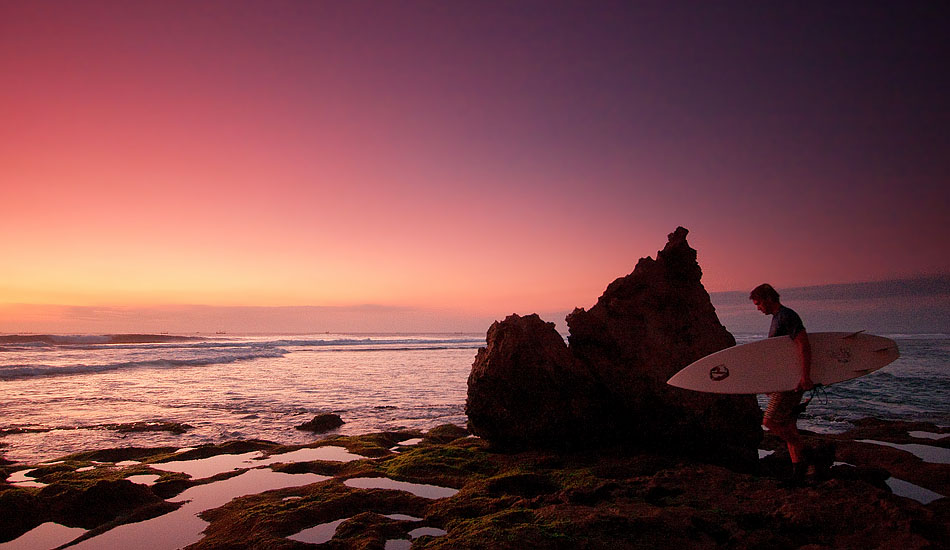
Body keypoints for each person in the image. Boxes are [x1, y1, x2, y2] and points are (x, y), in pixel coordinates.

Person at [749, 283, 814, 482]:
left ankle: (809, 456)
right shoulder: (778, 318)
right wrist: (772, 383)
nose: (758, 308)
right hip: (784, 381)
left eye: (759, 303)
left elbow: (803, 344)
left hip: (792, 383)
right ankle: (800, 472)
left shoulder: (787, 316)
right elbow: (782, 356)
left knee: (769, 421)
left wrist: (805, 377)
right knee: (788, 424)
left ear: (769, 298)